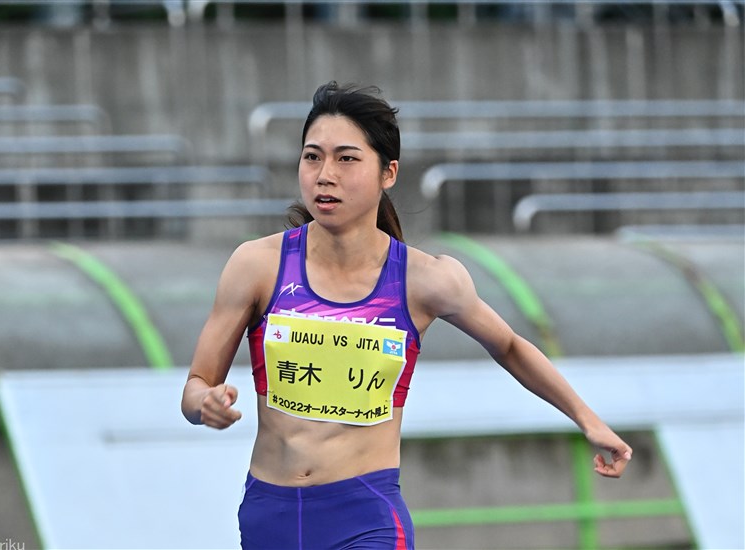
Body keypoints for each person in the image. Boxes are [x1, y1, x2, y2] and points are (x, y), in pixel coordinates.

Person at [181, 81, 633, 550]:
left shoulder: (425, 279)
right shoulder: (257, 265)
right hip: (268, 515)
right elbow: (195, 385)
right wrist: (204, 404)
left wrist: (587, 419)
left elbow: (511, 346)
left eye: (347, 158)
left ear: (388, 172)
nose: (324, 174)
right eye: (312, 156)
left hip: (366, 516)